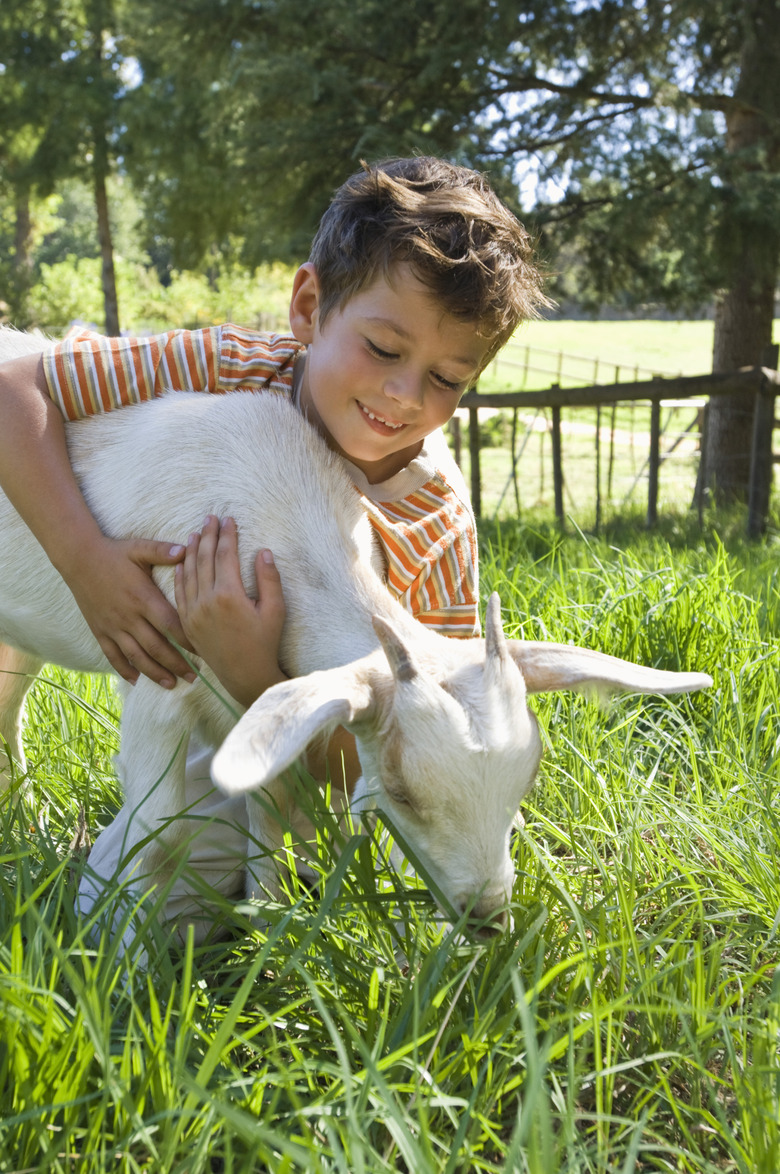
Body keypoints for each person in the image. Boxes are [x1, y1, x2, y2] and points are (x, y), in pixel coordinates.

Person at [0, 156, 548, 933]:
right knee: (172, 878)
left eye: (448, 379)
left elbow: (406, 749)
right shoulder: (234, 368)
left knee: (348, 858)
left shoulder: (435, 521)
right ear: (309, 307)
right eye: (385, 351)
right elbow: (9, 390)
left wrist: (249, 670)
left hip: (291, 718)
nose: (403, 395)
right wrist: (87, 562)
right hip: (143, 643)